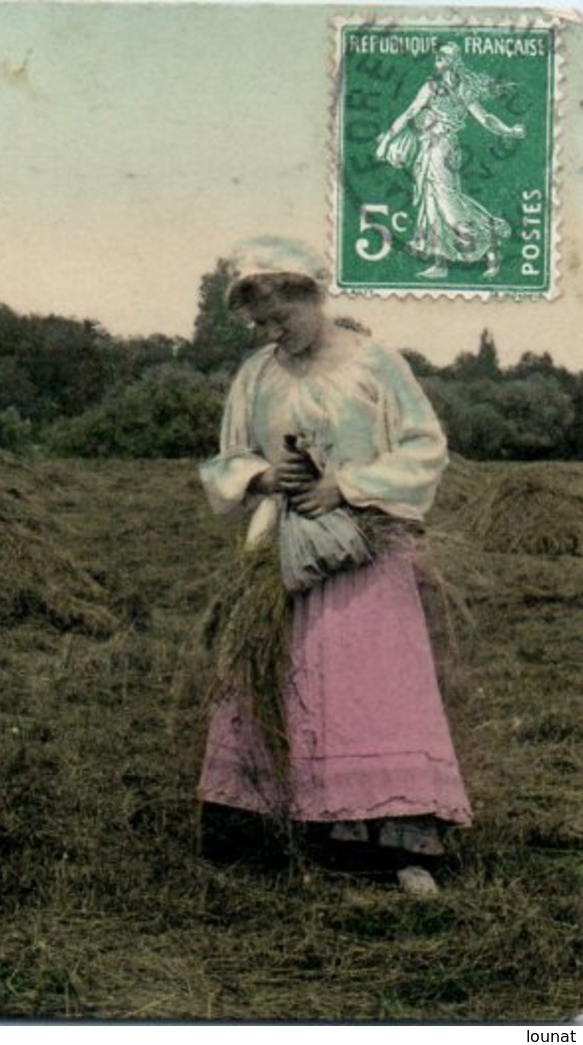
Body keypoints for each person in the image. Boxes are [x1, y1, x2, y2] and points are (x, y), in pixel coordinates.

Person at [197, 236, 471, 893]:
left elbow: (423, 445)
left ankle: (394, 840)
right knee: (275, 678)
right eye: (257, 323)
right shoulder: (256, 373)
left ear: (310, 296)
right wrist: (266, 475)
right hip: (282, 559)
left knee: (368, 685)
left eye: (278, 317)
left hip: (363, 555)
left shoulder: (374, 363)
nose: (268, 331)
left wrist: (343, 486)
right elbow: (227, 457)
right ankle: (282, 827)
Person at [375, 43, 525, 279]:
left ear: (454, 61)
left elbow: (484, 118)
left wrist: (508, 130)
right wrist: (386, 142)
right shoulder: (431, 86)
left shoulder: (460, 89)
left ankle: (491, 237)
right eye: (437, 55)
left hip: (442, 148)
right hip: (430, 148)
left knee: (449, 206)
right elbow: (409, 113)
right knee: (432, 204)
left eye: (442, 56)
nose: (437, 59)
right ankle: (440, 263)